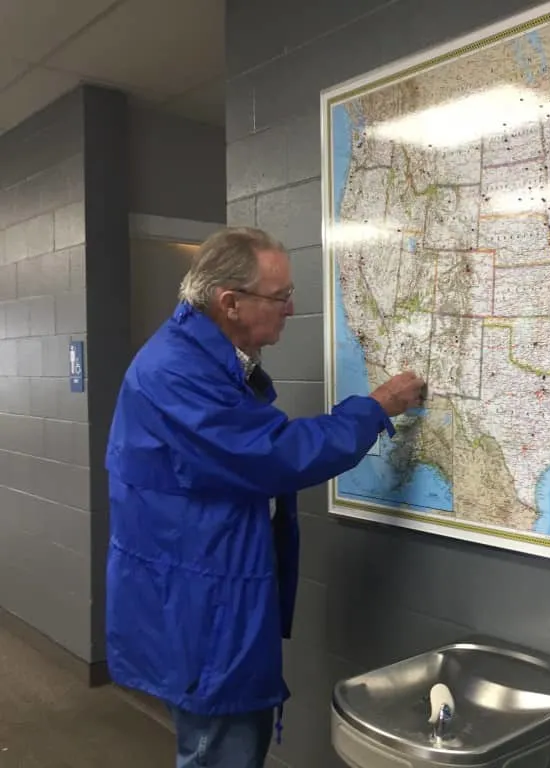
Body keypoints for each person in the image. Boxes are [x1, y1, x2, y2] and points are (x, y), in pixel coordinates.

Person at [104, 227, 424, 768]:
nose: (292, 309)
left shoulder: (202, 355)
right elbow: (272, 455)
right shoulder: (176, 372)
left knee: (230, 741)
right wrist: (374, 408)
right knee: (218, 749)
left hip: (203, 588)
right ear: (230, 303)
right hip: (200, 603)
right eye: (281, 297)